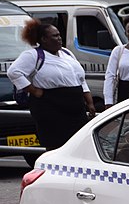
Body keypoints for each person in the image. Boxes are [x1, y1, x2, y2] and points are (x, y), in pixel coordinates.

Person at [7, 19, 94, 151]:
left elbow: (80, 79)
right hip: (51, 108)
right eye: (55, 36)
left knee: (79, 145)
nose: (59, 38)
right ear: (43, 39)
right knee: (56, 146)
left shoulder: (67, 53)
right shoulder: (33, 55)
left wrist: (89, 101)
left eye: (59, 35)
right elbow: (14, 72)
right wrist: (34, 91)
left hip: (75, 108)